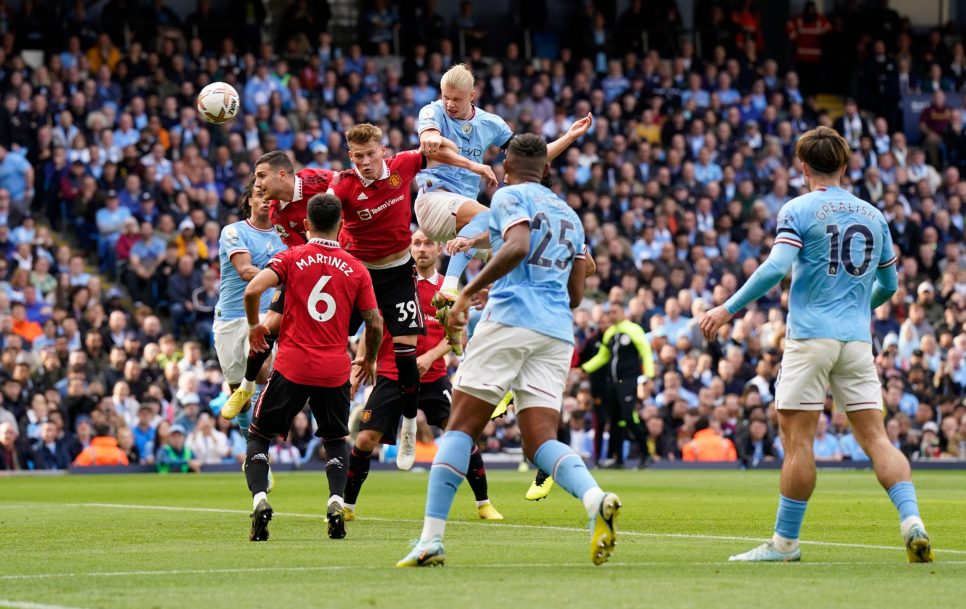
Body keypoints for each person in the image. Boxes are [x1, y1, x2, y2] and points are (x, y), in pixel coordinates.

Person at [701, 126, 933, 563]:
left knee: (798, 444)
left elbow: (775, 268)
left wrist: (725, 309)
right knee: (878, 440)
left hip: (810, 339)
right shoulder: (874, 215)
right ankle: (912, 522)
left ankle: (785, 544)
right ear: (845, 166)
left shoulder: (798, 209)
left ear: (802, 166)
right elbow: (890, 283)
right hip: (856, 341)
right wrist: (862, 308)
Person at [397, 134, 620, 568]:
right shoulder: (570, 216)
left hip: (511, 321)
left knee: (460, 428)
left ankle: (430, 539)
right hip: (556, 333)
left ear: (506, 166)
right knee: (540, 443)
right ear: (547, 169)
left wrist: (467, 293)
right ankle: (595, 499)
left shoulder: (508, 196)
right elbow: (576, 293)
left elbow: (517, 246)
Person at [327, 122, 493, 470]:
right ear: (350, 157)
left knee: (406, 349)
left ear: (382, 150)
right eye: (358, 157)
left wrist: (475, 166)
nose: (366, 162)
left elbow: (435, 150)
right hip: (358, 274)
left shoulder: (403, 166)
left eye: (371, 154)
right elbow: (323, 214)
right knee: (330, 339)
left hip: (396, 273)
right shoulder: (344, 185)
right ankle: (328, 419)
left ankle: (406, 423)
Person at [414, 64, 592, 345]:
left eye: (457, 98)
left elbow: (531, 159)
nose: (449, 103)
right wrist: (437, 141)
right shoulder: (431, 111)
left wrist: (569, 137)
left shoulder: (491, 124)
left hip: (465, 221)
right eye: (446, 96)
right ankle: (449, 287)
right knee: (498, 217)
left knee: (521, 251)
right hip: (434, 201)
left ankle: (463, 319)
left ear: (472, 95)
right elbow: (428, 141)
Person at [242, 193, 383, 542]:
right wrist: (369, 357)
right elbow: (375, 322)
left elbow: (252, 290)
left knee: (259, 435)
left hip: (292, 366)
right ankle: (336, 501)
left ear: (306, 224)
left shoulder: (291, 256)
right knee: (336, 440)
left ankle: (260, 500)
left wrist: (253, 326)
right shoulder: (356, 268)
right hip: (334, 369)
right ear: (341, 226)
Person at [344, 229, 503, 521]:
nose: (421, 249)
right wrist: (360, 362)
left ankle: (484, 503)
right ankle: (348, 506)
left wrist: (429, 357)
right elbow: (372, 324)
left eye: (428, 243)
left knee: (462, 436)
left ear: (440, 249)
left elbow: (457, 335)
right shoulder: (394, 285)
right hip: (392, 374)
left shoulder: (450, 289)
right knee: (365, 439)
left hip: (433, 377)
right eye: (416, 243)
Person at [221, 151, 337, 416]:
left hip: (343, 260)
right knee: (268, 327)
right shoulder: (276, 212)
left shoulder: (318, 180)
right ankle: (247, 387)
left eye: (262, 176)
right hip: (311, 266)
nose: (258, 183)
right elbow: (300, 249)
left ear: (282, 174)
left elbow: (349, 191)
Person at [213, 184, 284, 433]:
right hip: (230, 317)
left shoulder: (284, 236)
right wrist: (283, 275)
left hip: (265, 313)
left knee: (263, 371)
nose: (266, 201)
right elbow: (244, 271)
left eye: (271, 196)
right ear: (250, 201)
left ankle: (256, 446)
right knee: (236, 389)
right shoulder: (233, 231)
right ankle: (247, 439)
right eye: (260, 196)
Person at [580, 285, 656, 469]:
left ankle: (646, 454)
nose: (611, 315)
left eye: (614, 311)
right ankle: (617, 459)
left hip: (628, 381)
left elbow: (645, 351)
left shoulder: (633, 329)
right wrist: (584, 368)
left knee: (629, 417)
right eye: (609, 312)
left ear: (623, 312)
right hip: (612, 383)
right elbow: (603, 357)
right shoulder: (611, 333)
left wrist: (649, 375)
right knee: (615, 420)